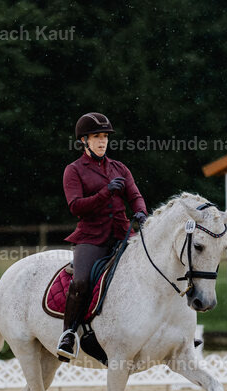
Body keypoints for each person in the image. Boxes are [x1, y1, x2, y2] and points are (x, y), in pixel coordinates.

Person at [57, 112, 147, 360]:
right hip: (92, 237)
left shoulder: (119, 168)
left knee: (153, 270)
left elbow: (135, 196)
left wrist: (140, 212)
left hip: (121, 234)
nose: (102, 142)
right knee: (82, 281)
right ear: (84, 141)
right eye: (96, 137)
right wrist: (105, 193)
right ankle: (69, 334)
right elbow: (76, 206)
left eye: (105, 137)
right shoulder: (73, 171)